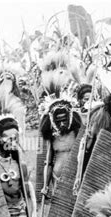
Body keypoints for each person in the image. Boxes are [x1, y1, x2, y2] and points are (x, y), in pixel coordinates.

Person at [38, 53, 82, 198]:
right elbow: (48, 162)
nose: (62, 121)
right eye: (58, 118)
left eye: (64, 117)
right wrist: (45, 185)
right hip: (59, 173)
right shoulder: (52, 133)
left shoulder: (76, 128)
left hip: (76, 172)